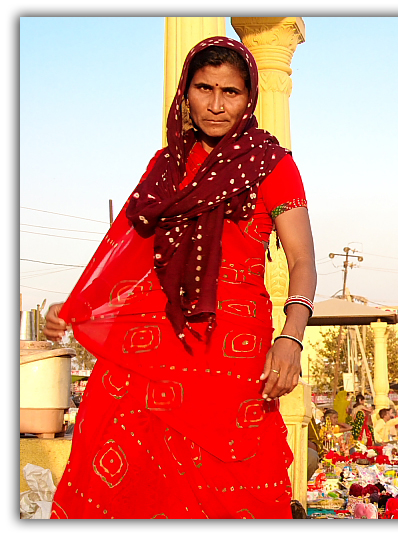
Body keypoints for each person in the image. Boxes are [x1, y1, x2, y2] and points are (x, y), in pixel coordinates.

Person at [42, 37, 316, 519]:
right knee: (125, 466)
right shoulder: (165, 165)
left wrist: (291, 337)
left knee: (236, 480)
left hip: (232, 349)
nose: (215, 105)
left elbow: (303, 261)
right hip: (151, 340)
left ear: (249, 97)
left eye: (230, 92)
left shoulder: (272, 165)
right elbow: (123, 247)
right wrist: (74, 305)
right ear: (185, 93)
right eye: (203, 88)